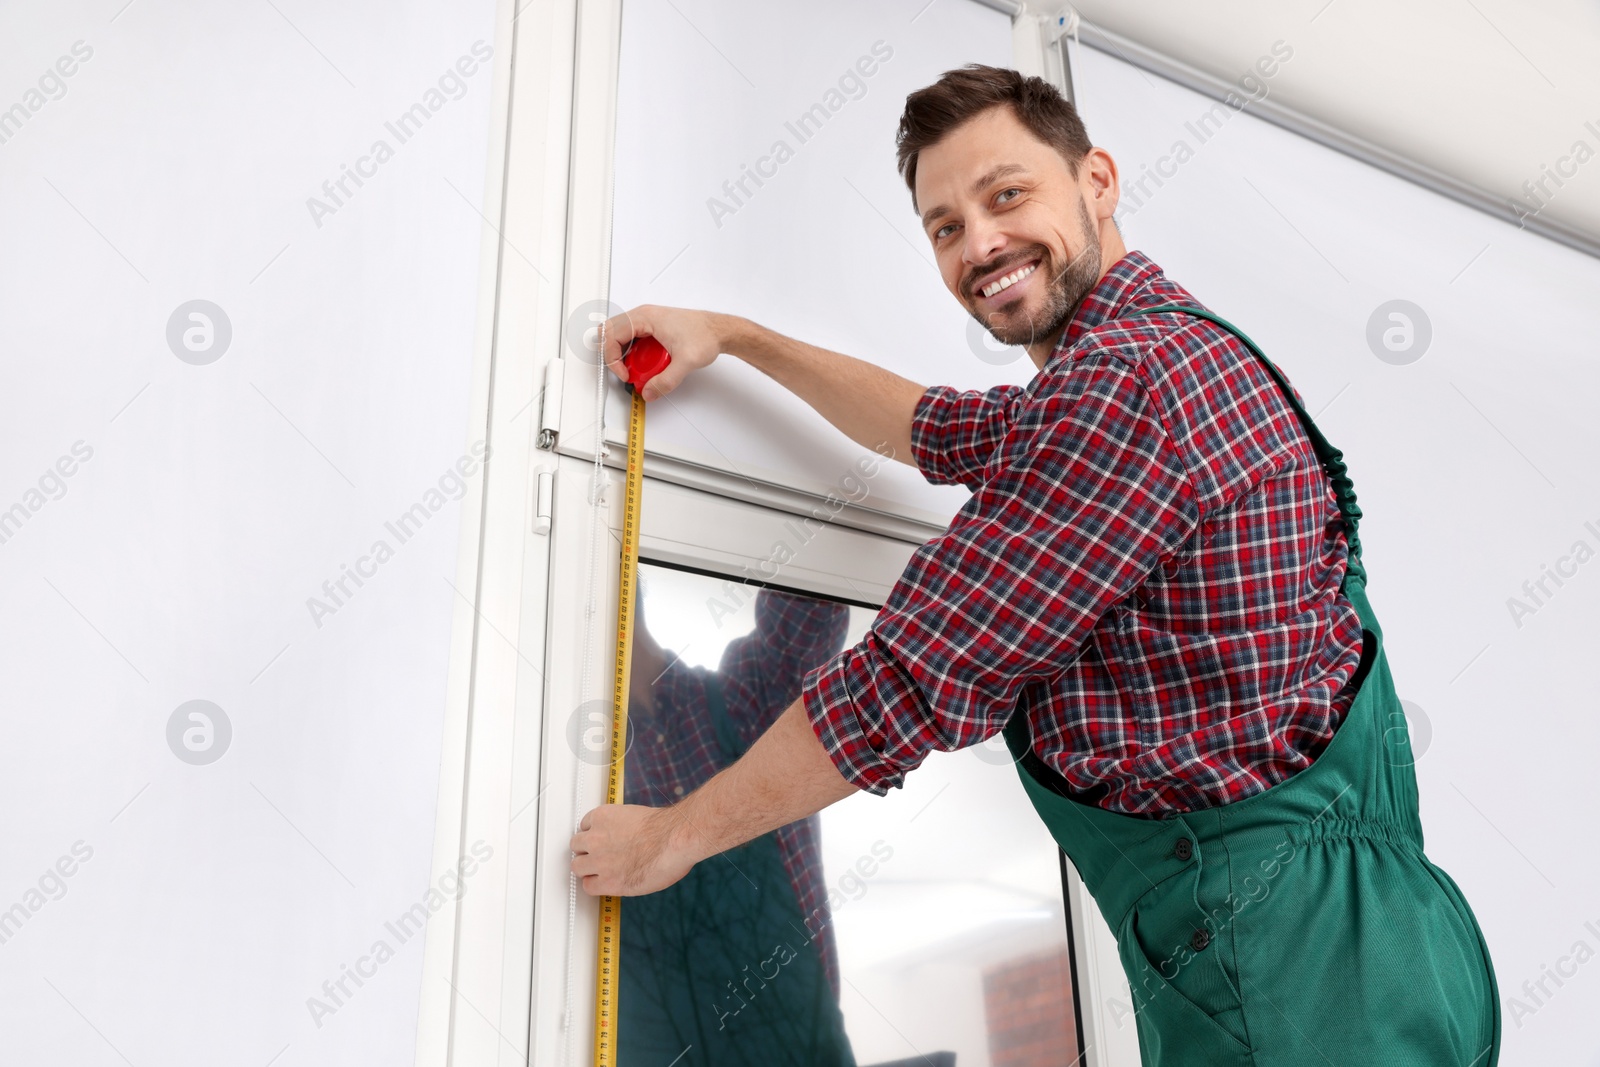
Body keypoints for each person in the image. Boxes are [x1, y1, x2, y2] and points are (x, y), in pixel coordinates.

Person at [572, 63, 1501, 1066]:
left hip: (1293, 980)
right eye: (944, 225)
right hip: (1401, 948)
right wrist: (739, 336)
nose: (979, 244)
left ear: (1094, 179)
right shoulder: (1168, 357)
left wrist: (666, 839)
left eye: (1006, 194)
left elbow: (901, 683)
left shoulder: (1122, 384)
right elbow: (932, 427)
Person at [618, 575, 855, 1066]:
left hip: (803, 1047)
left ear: (628, 586)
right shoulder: (581, 774)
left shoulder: (749, 699)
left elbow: (812, 609)